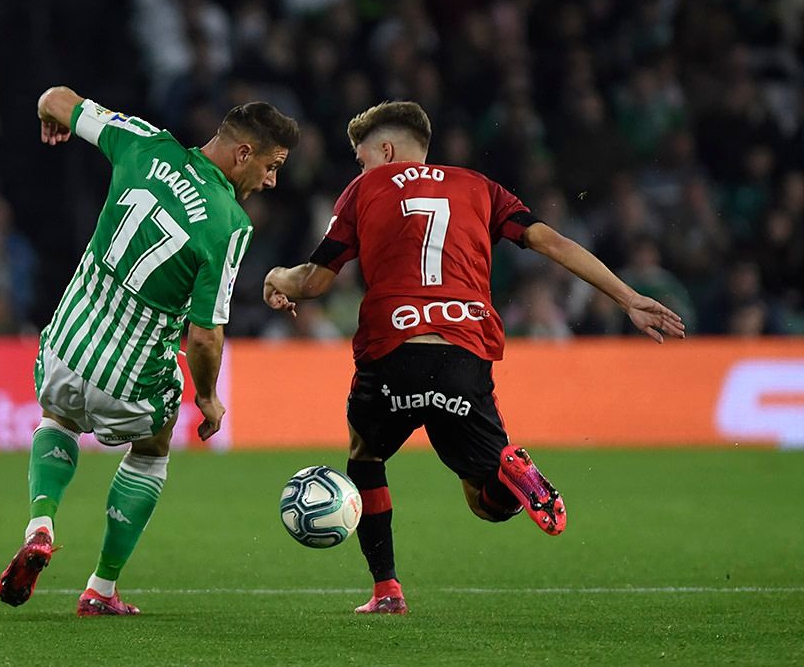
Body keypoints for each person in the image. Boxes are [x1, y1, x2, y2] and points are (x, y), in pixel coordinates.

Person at [263, 101, 684, 615]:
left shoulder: (364, 190)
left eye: (362, 156)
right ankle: (508, 474)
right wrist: (627, 297)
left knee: (366, 457)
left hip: (393, 352)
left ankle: (387, 591)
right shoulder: (479, 187)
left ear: (387, 150)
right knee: (486, 502)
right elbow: (550, 241)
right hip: (464, 356)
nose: (361, 167)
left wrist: (276, 277)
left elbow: (315, 280)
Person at [0, 87, 298, 616]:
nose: (271, 182)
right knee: (153, 449)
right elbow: (204, 335)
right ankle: (101, 589)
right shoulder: (228, 223)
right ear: (243, 153)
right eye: (272, 167)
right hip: (130, 379)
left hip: (64, 348)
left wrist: (51, 118)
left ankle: (41, 523)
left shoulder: (143, 142)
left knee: (59, 416)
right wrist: (207, 398)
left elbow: (54, 97)